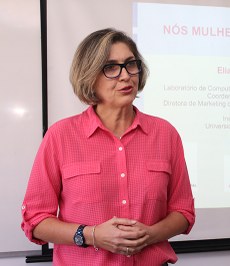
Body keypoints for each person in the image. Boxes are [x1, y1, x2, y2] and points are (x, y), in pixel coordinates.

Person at [21, 28, 195, 266]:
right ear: (89, 75)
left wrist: (150, 235)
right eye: (111, 67)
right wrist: (92, 235)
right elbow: (35, 220)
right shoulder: (60, 136)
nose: (126, 76)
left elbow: (183, 212)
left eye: (131, 64)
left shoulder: (165, 134)